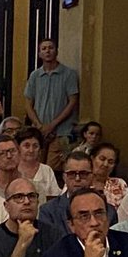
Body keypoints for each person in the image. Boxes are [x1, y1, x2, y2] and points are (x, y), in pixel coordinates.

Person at [24, 39, 79, 171]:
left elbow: (72, 101)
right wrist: (39, 125)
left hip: (61, 131)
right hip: (39, 131)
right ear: (39, 54)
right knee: (35, 166)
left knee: (52, 168)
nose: (47, 51)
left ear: (56, 51)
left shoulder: (69, 74)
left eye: (50, 48)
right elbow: (28, 103)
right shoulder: (35, 76)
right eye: (44, 49)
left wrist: (53, 124)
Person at [39, 151, 116, 237]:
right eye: (72, 174)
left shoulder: (109, 211)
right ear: (64, 177)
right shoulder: (48, 211)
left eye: (83, 174)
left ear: (92, 176)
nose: (77, 178)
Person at [14, 127, 61, 204]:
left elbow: (54, 197)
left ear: (40, 149)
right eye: (26, 146)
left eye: (35, 146)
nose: (31, 150)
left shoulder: (46, 170)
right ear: (18, 147)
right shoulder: (12, 169)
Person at [91, 142, 128, 210]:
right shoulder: (82, 182)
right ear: (92, 159)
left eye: (110, 162)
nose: (105, 164)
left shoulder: (120, 184)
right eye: (102, 159)